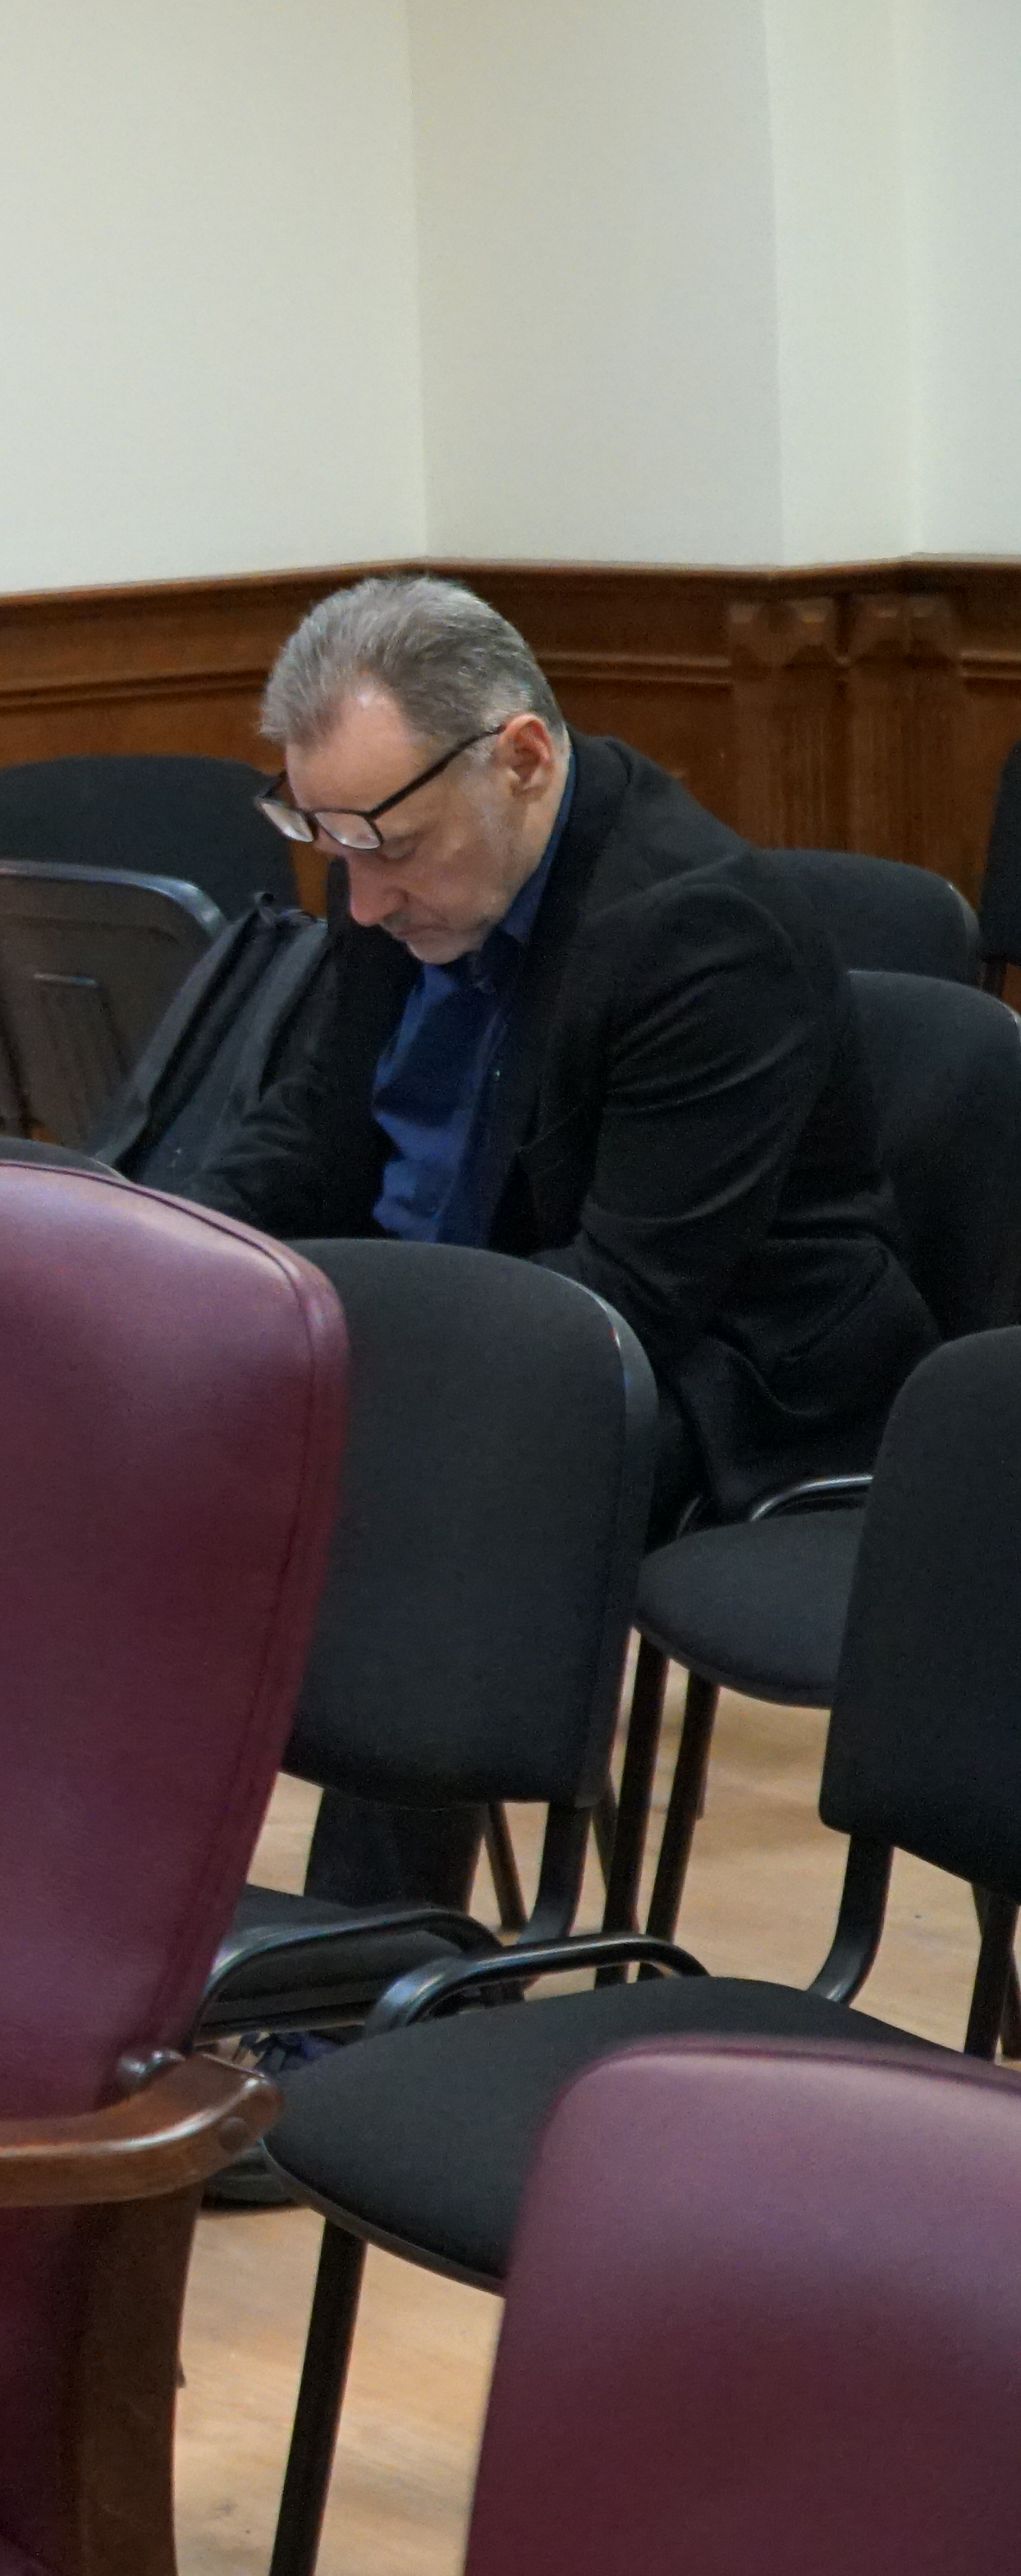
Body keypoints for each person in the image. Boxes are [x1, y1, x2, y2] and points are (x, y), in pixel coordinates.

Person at [191, 573, 928, 1906]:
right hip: (466, 1317)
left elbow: (624, 1304)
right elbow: (309, 1135)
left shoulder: (699, 934)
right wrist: (163, 1262)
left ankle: (373, 1960)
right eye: (330, 843)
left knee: (427, 1487)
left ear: (522, 758)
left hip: (727, 1378)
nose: (363, 898)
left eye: (390, 846)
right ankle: (122, 1933)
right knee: (149, 1415)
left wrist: (367, 1378)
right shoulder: (396, 876)